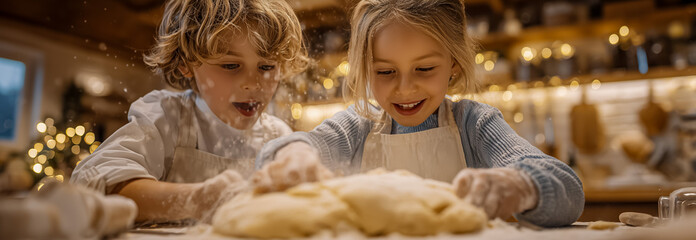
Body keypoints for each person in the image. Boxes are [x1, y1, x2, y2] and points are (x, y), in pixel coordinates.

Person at [253, 0, 583, 227]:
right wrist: (294, 155)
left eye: (424, 68)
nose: (405, 88)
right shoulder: (358, 126)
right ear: (366, 70)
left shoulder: (474, 124)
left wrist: (520, 186)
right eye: (385, 72)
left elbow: (568, 189)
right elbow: (295, 147)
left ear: (453, 64)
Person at [71, 0, 308, 223]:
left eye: (267, 66)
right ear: (186, 63)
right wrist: (194, 200)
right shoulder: (168, 118)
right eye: (231, 65)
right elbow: (94, 183)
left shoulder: (277, 135)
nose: (253, 83)